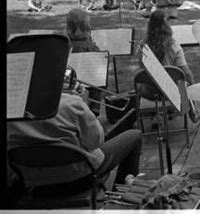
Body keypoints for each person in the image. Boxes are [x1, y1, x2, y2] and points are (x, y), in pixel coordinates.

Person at [7, 67, 142, 189]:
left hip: (30, 176)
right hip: (79, 174)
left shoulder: (11, 109)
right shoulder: (71, 103)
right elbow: (95, 142)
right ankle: (122, 194)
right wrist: (84, 104)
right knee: (134, 135)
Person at [142, 10, 200, 123]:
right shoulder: (174, 46)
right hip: (172, 92)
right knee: (184, 83)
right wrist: (194, 88)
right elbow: (186, 72)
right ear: (166, 25)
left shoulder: (143, 46)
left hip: (149, 92)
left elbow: (142, 68)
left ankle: (159, 112)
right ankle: (192, 110)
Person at [65, 8, 103, 116]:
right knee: (97, 82)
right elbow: (99, 63)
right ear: (86, 26)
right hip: (89, 82)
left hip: (70, 82)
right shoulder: (90, 46)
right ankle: (94, 109)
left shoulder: (64, 43)